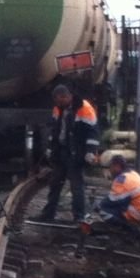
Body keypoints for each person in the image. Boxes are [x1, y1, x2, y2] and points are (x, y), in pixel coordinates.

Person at [37, 82, 100, 223]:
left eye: (63, 98)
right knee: (55, 184)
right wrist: (50, 148)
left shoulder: (84, 108)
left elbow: (93, 132)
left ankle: (79, 217)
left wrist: (90, 152)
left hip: (76, 154)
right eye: (57, 99)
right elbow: (54, 130)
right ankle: (48, 214)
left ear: (69, 96)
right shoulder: (57, 109)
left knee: (76, 186)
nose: (60, 101)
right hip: (61, 152)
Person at [94, 153, 140, 239]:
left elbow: (112, 199)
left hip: (138, 211)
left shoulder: (122, 179)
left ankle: (128, 228)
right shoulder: (133, 174)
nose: (110, 170)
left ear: (117, 166)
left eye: (111, 167)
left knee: (103, 210)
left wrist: (98, 205)